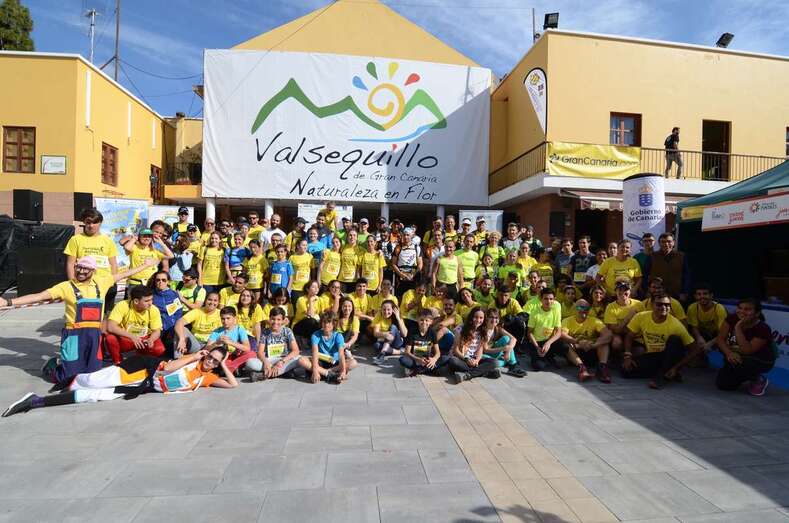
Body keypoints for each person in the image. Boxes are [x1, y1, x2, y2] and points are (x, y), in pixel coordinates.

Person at [2, 256, 157, 383]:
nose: (81, 271)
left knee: (92, 375)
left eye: (86, 268)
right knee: (68, 378)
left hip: (94, 335)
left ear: (93, 271)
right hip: (74, 335)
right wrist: (8, 302)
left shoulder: (102, 282)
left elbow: (125, 274)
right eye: (79, 267)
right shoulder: (66, 287)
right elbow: (39, 296)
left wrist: (145, 265)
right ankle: (51, 367)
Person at [2, 347, 238, 418]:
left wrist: (224, 364)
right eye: (209, 357)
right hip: (140, 369)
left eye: (214, 361)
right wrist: (195, 356)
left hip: (140, 386)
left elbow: (232, 385)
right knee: (92, 380)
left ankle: (36, 401)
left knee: (93, 395)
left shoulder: (207, 377)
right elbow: (168, 367)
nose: (210, 361)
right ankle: (56, 371)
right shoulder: (192, 362)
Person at [621, 293, 696, 389]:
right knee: (625, 371)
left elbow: (695, 349)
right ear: (652, 305)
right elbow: (629, 336)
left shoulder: (676, 325)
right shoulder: (641, 317)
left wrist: (677, 367)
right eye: (659, 304)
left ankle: (662, 378)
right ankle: (667, 372)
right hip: (653, 356)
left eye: (667, 305)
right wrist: (627, 356)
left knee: (675, 340)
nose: (663, 307)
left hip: (670, 356)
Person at [712, 298, 775, 395]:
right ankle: (738, 372)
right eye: (740, 308)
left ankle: (757, 379)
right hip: (736, 354)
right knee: (723, 385)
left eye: (747, 309)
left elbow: (747, 351)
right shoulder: (731, 318)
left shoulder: (763, 328)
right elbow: (720, 339)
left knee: (742, 362)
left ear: (757, 313)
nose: (742, 311)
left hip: (759, 360)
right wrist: (729, 353)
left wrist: (738, 327)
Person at [64, 208, 119, 306]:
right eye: (88, 222)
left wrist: (112, 281)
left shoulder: (108, 240)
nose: (91, 225)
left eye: (95, 222)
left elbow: (113, 264)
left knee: (107, 313)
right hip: (84, 284)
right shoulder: (75, 239)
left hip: (104, 283)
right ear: (84, 222)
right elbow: (70, 263)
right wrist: (73, 283)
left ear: (100, 223)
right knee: (86, 313)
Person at [104, 284, 166, 365]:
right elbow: (111, 327)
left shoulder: (153, 309)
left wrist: (151, 339)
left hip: (145, 339)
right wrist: (132, 336)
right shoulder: (122, 305)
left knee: (159, 349)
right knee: (110, 338)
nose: (150, 303)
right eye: (146, 301)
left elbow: (157, 331)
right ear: (136, 301)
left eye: (151, 299)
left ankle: (143, 359)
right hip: (127, 338)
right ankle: (118, 362)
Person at [557, 299, 613, 383]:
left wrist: (594, 345)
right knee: (564, 344)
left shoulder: (595, 321)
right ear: (575, 309)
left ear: (589, 310)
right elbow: (562, 335)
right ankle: (582, 368)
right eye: (580, 307)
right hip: (575, 353)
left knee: (604, 343)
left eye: (586, 308)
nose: (583, 310)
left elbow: (608, 334)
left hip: (591, 350)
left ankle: (602, 367)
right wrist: (577, 342)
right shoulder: (567, 320)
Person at [247, 306, 307, 381]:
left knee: (299, 359)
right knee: (250, 363)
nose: (275, 322)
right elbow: (260, 352)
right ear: (269, 319)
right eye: (273, 319)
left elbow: (296, 351)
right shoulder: (265, 332)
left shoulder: (287, 331)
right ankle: (284, 372)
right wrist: (266, 362)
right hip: (270, 360)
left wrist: (282, 362)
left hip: (284, 360)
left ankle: (263, 375)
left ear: (283, 321)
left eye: (278, 320)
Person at [448, 306, 499, 382]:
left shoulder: (483, 331)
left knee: (495, 362)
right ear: (471, 317)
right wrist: (466, 359)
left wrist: (477, 360)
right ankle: (484, 372)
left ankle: (468, 375)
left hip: (474, 359)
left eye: (481, 318)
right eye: (476, 317)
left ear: (484, 319)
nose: (478, 320)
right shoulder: (461, 328)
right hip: (462, 358)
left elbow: (480, 350)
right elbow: (456, 350)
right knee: (453, 361)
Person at [305, 311, 357, 383]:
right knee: (301, 360)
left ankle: (326, 372)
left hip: (335, 364)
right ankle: (329, 374)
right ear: (321, 323)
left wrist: (343, 371)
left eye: (329, 322)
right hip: (321, 362)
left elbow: (341, 354)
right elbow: (315, 353)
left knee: (353, 363)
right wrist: (315, 371)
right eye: (324, 322)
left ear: (334, 324)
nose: (326, 325)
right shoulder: (315, 335)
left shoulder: (338, 336)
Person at [205, 306, 253, 373]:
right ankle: (233, 369)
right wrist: (217, 343)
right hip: (225, 357)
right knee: (223, 361)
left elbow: (247, 348)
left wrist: (230, 342)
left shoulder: (239, 329)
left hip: (237, 356)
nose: (225, 321)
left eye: (228, 318)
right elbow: (207, 349)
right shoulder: (216, 332)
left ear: (234, 318)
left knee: (251, 354)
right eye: (223, 319)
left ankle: (232, 367)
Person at [481, 307, 527, 377]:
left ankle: (513, 366)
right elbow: (486, 350)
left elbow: (514, 339)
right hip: (484, 354)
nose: (494, 320)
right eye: (491, 317)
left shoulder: (498, 329)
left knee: (506, 338)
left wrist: (508, 350)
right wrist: (503, 349)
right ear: (486, 318)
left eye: (496, 318)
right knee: (495, 362)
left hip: (495, 353)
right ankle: (500, 363)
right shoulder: (483, 330)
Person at [525, 288, 563, 371]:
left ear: (554, 299)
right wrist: (537, 347)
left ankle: (549, 356)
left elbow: (559, 332)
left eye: (551, 299)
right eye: (545, 299)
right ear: (541, 299)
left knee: (564, 347)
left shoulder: (555, 310)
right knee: (538, 366)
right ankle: (544, 357)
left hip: (549, 341)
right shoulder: (535, 313)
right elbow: (529, 333)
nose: (548, 301)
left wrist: (548, 343)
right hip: (537, 342)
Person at [148, 271, 183, 358]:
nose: (161, 282)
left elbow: (178, 312)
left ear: (168, 281)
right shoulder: (150, 294)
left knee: (170, 353)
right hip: (156, 327)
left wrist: (175, 326)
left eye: (164, 280)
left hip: (171, 327)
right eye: (158, 280)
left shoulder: (174, 294)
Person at [646, 233, 689, 301]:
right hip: (656, 294)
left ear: (673, 242)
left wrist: (684, 292)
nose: (666, 244)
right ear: (659, 243)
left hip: (676, 294)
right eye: (663, 242)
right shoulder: (652, 256)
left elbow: (686, 275)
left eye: (669, 241)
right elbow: (645, 275)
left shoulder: (681, 256)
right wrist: (647, 291)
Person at [603, 281, 643, 357]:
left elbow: (642, 325)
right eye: (620, 290)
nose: (623, 292)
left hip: (635, 335)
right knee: (616, 343)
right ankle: (618, 358)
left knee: (640, 351)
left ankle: (627, 356)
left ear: (630, 291)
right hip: (619, 335)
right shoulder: (610, 307)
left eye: (625, 290)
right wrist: (627, 318)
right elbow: (616, 330)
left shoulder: (639, 304)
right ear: (615, 292)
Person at [399, 309, 442, 377]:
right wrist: (418, 359)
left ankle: (417, 370)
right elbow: (407, 352)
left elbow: (438, 352)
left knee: (445, 359)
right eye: (421, 320)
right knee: (403, 360)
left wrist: (434, 359)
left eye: (427, 320)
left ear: (431, 322)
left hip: (427, 359)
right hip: (415, 359)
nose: (424, 322)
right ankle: (425, 370)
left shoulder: (432, 332)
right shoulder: (412, 332)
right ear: (417, 320)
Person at [686, 284, 728, 352]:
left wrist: (710, 344)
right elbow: (694, 327)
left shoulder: (719, 309)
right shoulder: (692, 307)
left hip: (716, 335)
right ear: (695, 296)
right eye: (699, 294)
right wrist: (699, 338)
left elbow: (723, 332)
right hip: (702, 334)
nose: (702, 296)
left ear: (711, 295)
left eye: (705, 294)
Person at [371, 300, 408, 365]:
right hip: (384, 340)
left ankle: (382, 354)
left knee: (393, 327)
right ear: (381, 310)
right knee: (376, 345)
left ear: (393, 310)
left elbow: (404, 334)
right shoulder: (379, 315)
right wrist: (385, 334)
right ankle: (401, 352)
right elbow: (375, 333)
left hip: (397, 343)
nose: (386, 312)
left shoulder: (397, 316)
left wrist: (398, 318)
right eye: (384, 309)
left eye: (388, 310)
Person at [392, 229, 422, 296]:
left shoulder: (417, 248)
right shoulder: (397, 248)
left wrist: (413, 274)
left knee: (413, 296)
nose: (406, 237)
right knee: (400, 297)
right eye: (404, 235)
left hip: (413, 277)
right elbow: (393, 264)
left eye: (408, 235)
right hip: (401, 278)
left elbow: (420, 264)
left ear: (412, 236)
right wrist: (401, 275)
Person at [338, 229, 362, 293]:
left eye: (354, 235)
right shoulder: (342, 248)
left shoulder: (361, 250)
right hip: (342, 279)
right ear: (347, 237)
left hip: (354, 280)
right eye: (350, 235)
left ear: (357, 238)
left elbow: (371, 253)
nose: (352, 237)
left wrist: (379, 252)